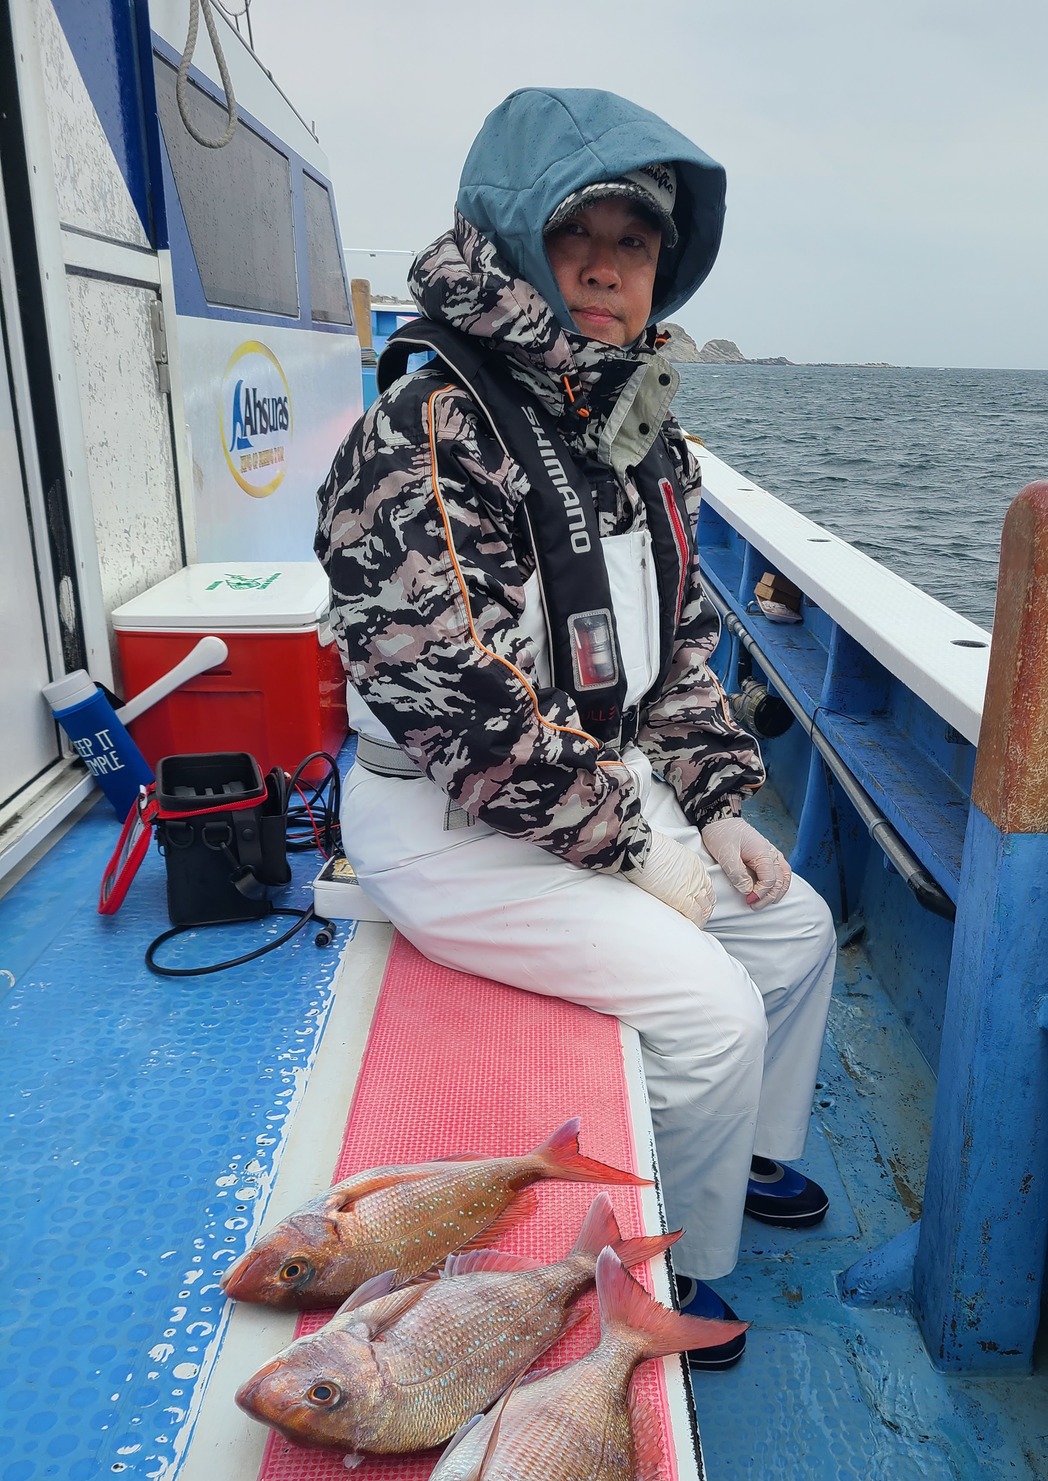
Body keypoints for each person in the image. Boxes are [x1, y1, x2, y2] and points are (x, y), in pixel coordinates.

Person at [316, 87, 837, 1367]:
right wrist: (639, 847)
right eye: (575, 236)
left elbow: (677, 651)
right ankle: (664, 1273)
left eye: (635, 243)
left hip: (596, 794)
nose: (607, 269)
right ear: (510, 241)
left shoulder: (634, 432)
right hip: (450, 826)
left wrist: (714, 805)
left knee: (796, 932)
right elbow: (460, 710)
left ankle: (737, 1155)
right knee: (711, 1015)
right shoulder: (427, 431)